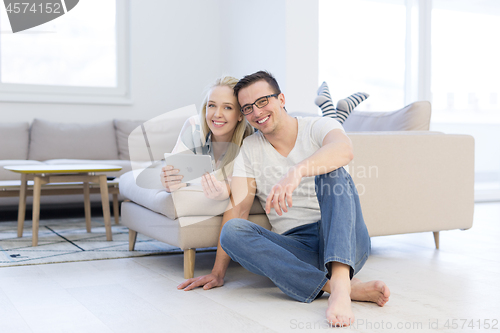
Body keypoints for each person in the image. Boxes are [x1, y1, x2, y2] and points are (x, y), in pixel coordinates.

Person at [177, 71, 390, 327]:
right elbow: (239, 208)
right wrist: (217, 272)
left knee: (333, 172)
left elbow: (344, 149)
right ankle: (335, 286)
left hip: (344, 238)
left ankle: (341, 289)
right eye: (247, 108)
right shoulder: (251, 148)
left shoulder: (317, 127)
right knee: (231, 231)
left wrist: (297, 171)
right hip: (298, 247)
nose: (257, 112)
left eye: (263, 101)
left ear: (281, 99)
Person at [160, 76, 253, 200]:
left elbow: (239, 186)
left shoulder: (250, 140)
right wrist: (170, 181)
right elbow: (178, 175)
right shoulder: (194, 126)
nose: (217, 114)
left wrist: (224, 191)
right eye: (212, 105)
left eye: (227, 107)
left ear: (240, 115)